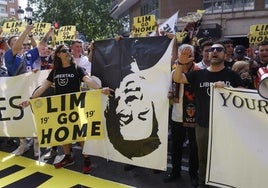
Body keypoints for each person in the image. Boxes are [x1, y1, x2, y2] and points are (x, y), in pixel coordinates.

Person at [20, 44, 112, 174]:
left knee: (79, 133)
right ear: (58, 54)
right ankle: (68, 157)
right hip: (61, 108)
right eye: (64, 51)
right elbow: (43, 87)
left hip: (76, 106)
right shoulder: (55, 71)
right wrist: (30, 99)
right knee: (63, 133)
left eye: (69, 50)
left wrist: (100, 89)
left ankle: (86, 159)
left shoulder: (77, 69)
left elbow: (88, 80)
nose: (68, 52)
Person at [173, 41, 244, 188]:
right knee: (203, 158)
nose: (215, 52)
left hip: (226, 126)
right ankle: (202, 183)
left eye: (219, 49)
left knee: (225, 157)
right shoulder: (198, 74)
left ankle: (224, 183)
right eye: (212, 49)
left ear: (225, 54)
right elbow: (178, 78)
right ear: (207, 53)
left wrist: (229, 88)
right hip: (203, 124)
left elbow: (244, 96)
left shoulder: (232, 74)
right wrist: (180, 63)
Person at [4, 24, 54, 156]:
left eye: (20, 40)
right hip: (16, 92)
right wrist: (26, 31)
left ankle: (37, 143)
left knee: (34, 116)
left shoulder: (28, 55)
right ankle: (23, 144)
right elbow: (15, 47)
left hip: (30, 91)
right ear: (9, 45)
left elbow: (42, 45)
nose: (19, 42)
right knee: (20, 117)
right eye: (15, 41)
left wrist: (49, 33)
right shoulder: (9, 56)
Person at [163, 44, 199, 188]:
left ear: (193, 56)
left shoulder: (198, 70)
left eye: (187, 54)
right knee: (176, 146)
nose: (184, 56)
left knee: (194, 147)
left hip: (193, 115)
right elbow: (175, 81)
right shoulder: (173, 71)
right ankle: (175, 172)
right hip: (177, 114)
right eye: (182, 54)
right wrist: (170, 94)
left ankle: (193, 174)